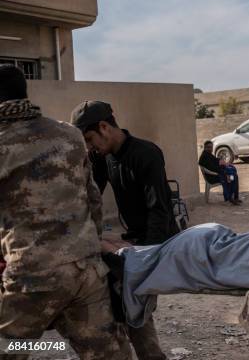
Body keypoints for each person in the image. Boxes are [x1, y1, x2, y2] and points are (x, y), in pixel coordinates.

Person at [0, 65, 130, 359]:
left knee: (9, 347)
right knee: (107, 353)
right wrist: (90, 246)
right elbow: (93, 199)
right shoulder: (69, 135)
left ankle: (44, 346)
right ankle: (53, 346)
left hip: (32, 276)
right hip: (85, 272)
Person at [71, 100, 176, 360]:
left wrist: (146, 257)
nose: (89, 146)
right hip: (130, 239)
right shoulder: (102, 157)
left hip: (156, 239)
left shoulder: (146, 153)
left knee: (133, 302)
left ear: (104, 127)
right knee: (119, 301)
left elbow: (159, 209)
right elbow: (89, 197)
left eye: (89, 138)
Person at [198, 140, 241, 205]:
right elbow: (213, 168)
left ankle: (235, 197)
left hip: (217, 174)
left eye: (211, 147)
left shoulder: (208, 154)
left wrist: (221, 161)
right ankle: (229, 198)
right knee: (231, 177)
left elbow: (215, 161)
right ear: (205, 147)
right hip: (212, 177)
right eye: (208, 147)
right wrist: (222, 166)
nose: (210, 149)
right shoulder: (204, 156)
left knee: (234, 175)